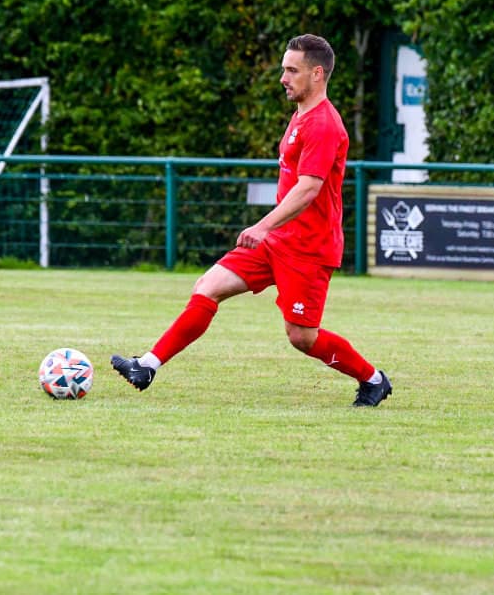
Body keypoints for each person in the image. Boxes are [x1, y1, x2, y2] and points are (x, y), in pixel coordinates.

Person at [112, 34, 393, 407]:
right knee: (208, 286)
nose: (283, 78)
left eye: (292, 70)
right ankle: (147, 366)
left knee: (302, 337)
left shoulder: (324, 125)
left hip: (308, 248)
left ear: (317, 74)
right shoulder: (301, 115)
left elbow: (309, 188)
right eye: (283, 69)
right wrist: (269, 232)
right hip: (277, 241)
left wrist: (262, 226)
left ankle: (373, 380)